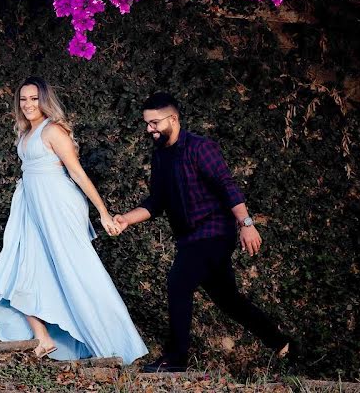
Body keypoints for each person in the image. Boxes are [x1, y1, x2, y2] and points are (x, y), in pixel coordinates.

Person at [113, 92, 294, 373]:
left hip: (213, 232)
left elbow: (226, 185)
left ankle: (175, 361)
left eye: (155, 123)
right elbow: (156, 202)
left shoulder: (200, 148)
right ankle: (282, 343)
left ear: (173, 119)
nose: (150, 129)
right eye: (147, 124)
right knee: (228, 299)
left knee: (178, 284)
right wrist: (126, 219)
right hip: (189, 239)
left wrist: (246, 225)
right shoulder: (160, 155)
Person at [0, 76, 148, 363]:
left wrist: (103, 212)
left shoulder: (53, 131)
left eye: (34, 99)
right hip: (31, 209)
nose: (28, 104)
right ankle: (43, 338)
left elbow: (77, 174)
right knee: (20, 268)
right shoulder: (25, 132)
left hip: (58, 206)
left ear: (44, 101)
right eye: (23, 99)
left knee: (77, 272)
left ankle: (118, 345)